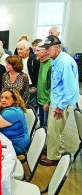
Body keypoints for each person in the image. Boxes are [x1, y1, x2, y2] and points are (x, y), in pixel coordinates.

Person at [40, 35, 79, 166]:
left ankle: (54, 157)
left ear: (57, 47)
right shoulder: (55, 60)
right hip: (56, 101)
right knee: (54, 129)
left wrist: (60, 107)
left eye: (48, 48)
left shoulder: (65, 62)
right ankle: (56, 150)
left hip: (62, 103)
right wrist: (50, 101)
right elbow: (56, 85)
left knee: (54, 129)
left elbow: (71, 89)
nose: (46, 51)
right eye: (45, 48)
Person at [0, 88, 30, 154]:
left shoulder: (12, 112)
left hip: (17, 146)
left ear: (14, 100)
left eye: (7, 98)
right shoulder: (13, 109)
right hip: (15, 141)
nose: (3, 100)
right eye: (2, 97)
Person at [17, 40, 40, 108]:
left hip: (30, 88)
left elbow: (37, 74)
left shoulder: (34, 59)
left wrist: (34, 86)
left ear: (27, 50)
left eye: (21, 49)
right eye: (18, 49)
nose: (19, 51)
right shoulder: (18, 59)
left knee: (30, 109)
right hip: (20, 87)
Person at [35, 43, 52, 127]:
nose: (35, 52)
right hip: (39, 99)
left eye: (38, 51)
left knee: (46, 126)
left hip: (46, 102)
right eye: (35, 50)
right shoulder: (40, 62)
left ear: (46, 52)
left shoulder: (51, 65)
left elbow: (53, 86)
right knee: (41, 123)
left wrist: (48, 102)